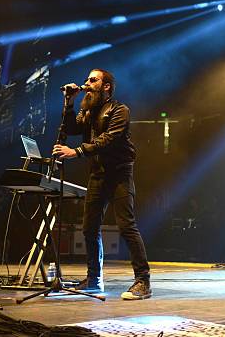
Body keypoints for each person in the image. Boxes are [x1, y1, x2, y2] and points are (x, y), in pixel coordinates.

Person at [53, 69, 151, 300]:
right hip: (98, 173)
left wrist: (76, 152)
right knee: (89, 227)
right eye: (87, 79)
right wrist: (69, 103)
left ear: (106, 86)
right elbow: (72, 129)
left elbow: (107, 140)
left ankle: (143, 281)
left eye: (93, 80)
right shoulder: (87, 111)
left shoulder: (119, 110)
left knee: (126, 225)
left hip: (119, 173)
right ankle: (94, 279)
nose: (86, 83)